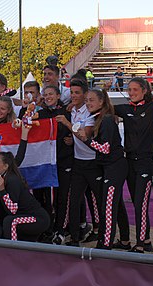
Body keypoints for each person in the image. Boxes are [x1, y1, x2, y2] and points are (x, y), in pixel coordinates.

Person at [74, 89, 127, 250]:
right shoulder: (99, 118)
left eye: (92, 100)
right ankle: (124, 240)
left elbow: (105, 148)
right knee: (116, 204)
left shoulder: (107, 120)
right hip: (109, 166)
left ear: (101, 102)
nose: (88, 103)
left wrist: (86, 139)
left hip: (114, 167)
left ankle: (105, 244)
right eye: (87, 100)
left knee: (108, 207)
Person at [56, 79, 101, 247]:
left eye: (77, 93)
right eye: (72, 92)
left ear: (85, 94)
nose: (73, 96)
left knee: (98, 200)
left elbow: (84, 134)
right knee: (74, 200)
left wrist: (68, 125)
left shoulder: (90, 111)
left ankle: (101, 233)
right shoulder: (71, 110)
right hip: (78, 161)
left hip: (93, 161)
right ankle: (74, 238)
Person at [37, 85, 74, 245]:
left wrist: (72, 139)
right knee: (48, 199)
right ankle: (49, 229)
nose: (48, 97)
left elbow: (78, 130)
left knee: (62, 197)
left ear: (58, 95)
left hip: (64, 160)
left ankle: (61, 229)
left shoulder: (67, 113)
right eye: (45, 95)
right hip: (47, 162)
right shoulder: (40, 114)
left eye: (51, 94)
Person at [0, 151, 50, 241]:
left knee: (10, 221)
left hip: (38, 219)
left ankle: (12, 251)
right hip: (24, 217)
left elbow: (12, 210)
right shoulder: (3, 178)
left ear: (6, 166)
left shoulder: (12, 180)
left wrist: (2, 190)